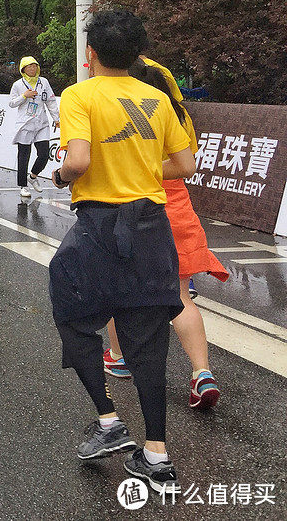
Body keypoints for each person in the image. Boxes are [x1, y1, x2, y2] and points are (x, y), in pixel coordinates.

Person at [48, 10, 195, 498]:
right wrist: (145, 172)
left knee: (73, 314)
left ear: (90, 53)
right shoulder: (156, 96)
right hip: (152, 228)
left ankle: (109, 420)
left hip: (98, 226)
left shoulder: (78, 95)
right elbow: (185, 163)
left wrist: (59, 176)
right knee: (149, 340)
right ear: (136, 54)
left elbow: (79, 160)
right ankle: (157, 455)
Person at [101, 60, 229, 410]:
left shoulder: (117, 113)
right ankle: (202, 373)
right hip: (178, 214)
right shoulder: (178, 116)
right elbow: (186, 163)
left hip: (129, 212)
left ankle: (118, 356)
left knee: (118, 293)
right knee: (181, 297)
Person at [8, 56, 60, 199]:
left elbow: (50, 100)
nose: (33, 68)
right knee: (24, 156)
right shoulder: (18, 85)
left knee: (44, 154)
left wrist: (56, 118)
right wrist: (24, 96)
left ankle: (33, 176)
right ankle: (23, 186)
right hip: (25, 125)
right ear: (23, 69)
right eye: (29, 66)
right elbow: (11, 103)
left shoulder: (44, 82)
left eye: (35, 65)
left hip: (41, 124)